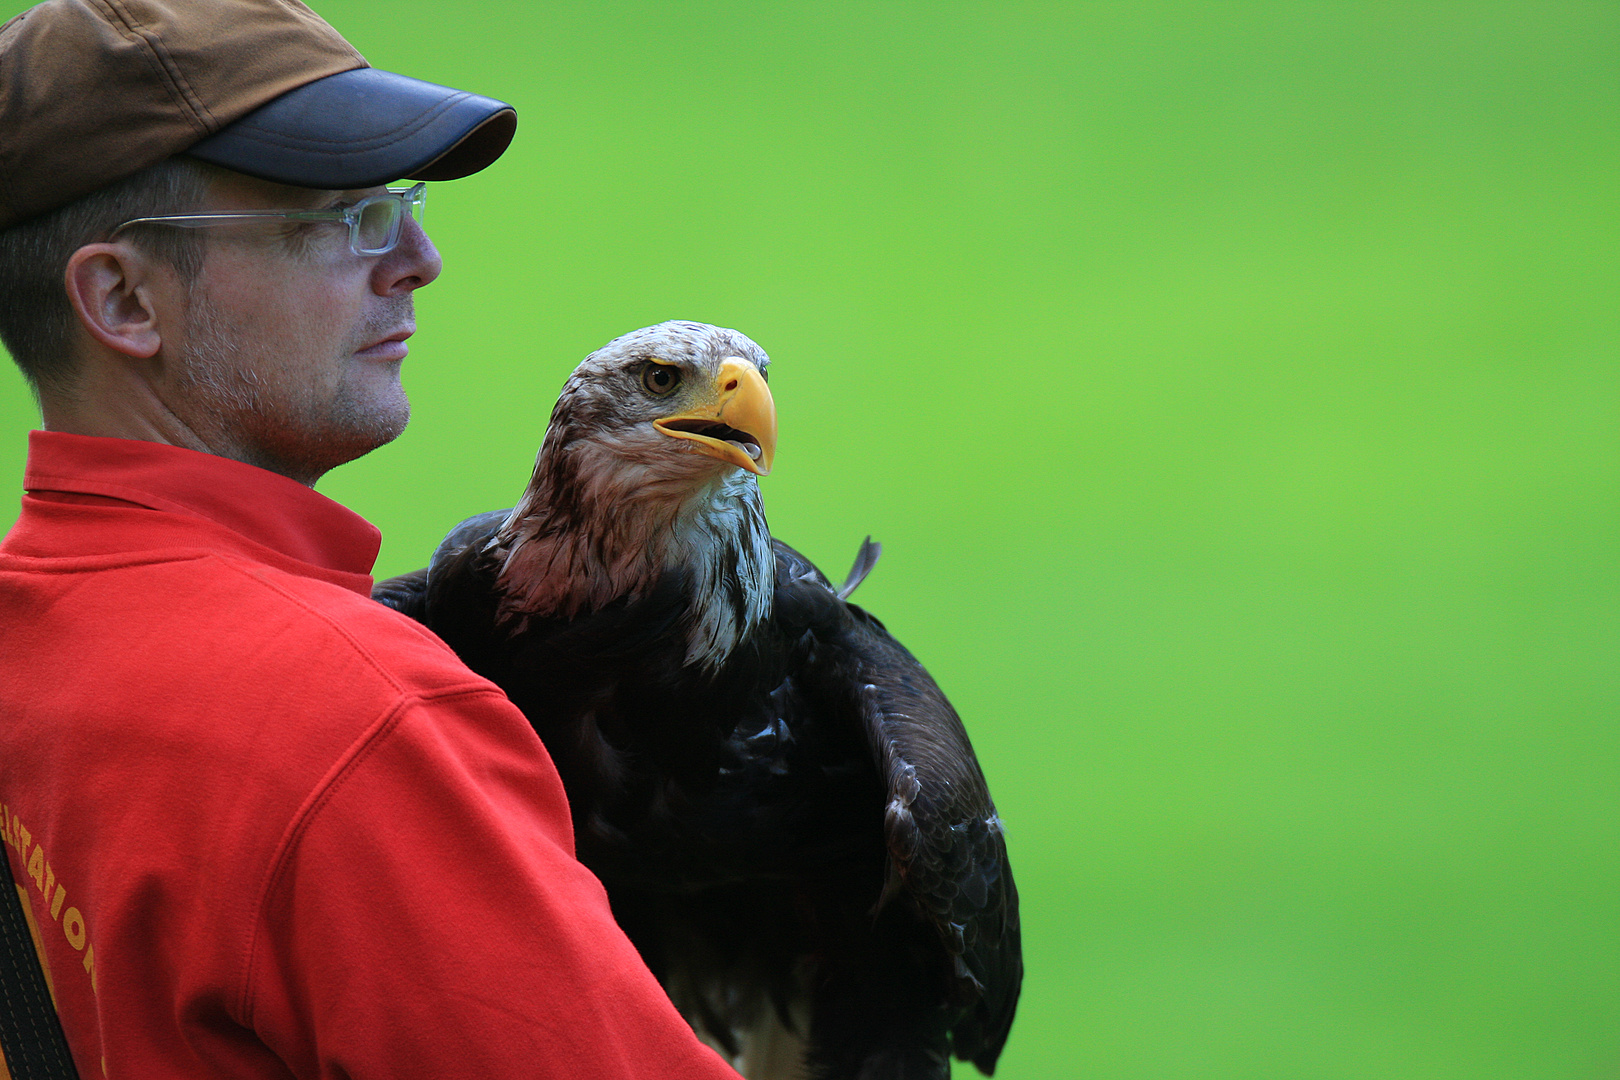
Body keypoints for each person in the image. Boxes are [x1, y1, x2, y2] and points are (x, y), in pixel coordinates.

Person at [0, 1, 743, 1076]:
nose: (419, 257)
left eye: (402, 201)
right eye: (340, 215)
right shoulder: (353, 729)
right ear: (121, 298)